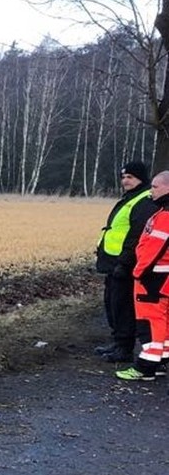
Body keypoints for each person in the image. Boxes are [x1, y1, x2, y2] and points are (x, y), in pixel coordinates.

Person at [94, 160, 158, 363]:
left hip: (125, 263)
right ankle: (117, 343)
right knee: (112, 304)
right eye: (123, 177)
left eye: (130, 177)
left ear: (141, 178)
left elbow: (136, 235)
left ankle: (124, 348)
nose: (125, 181)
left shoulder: (144, 200)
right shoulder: (131, 197)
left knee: (123, 306)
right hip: (113, 261)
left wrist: (125, 262)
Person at [117, 171, 169, 381]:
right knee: (163, 322)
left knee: (149, 322)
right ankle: (160, 361)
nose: (151, 191)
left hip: (153, 277)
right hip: (162, 277)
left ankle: (145, 366)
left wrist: (139, 272)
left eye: (155, 187)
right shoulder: (162, 212)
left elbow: (154, 249)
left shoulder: (165, 216)